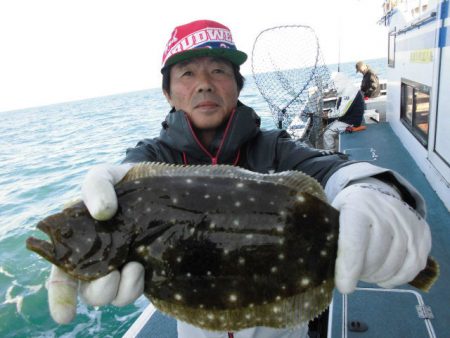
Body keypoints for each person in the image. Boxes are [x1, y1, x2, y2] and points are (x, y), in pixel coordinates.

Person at [46, 20, 431, 338]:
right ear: (168, 93)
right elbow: (122, 176)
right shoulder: (150, 162)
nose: (204, 83)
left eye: (218, 70)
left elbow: (332, 170)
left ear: (236, 85)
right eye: (187, 73)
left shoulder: (274, 148)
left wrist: (373, 189)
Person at [322, 72, 365, 151]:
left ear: (340, 81)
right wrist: (329, 113)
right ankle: (334, 150)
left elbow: (341, 112)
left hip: (352, 122)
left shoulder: (349, 91)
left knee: (327, 134)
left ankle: (330, 156)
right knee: (327, 127)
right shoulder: (345, 90)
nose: (334, 87)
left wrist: (328, 115)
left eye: (334, 83)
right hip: (346, 118)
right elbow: (339, 108)